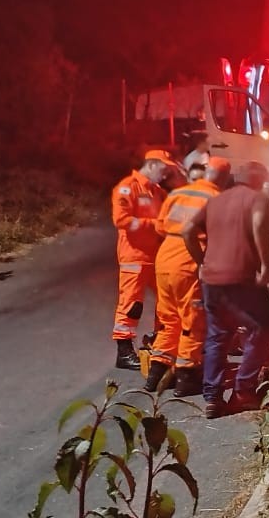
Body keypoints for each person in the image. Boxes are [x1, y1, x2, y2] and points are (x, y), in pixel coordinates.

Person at [182, 161, 269, 418]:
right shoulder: (258, 198)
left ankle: (212, 398)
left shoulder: (216, 200)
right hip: (240, 277)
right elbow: (259, 226)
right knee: (264, 326)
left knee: (218, 334)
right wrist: (267, 266)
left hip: (211, 280)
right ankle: (244, 391)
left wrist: (201, 262)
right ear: (259, 180)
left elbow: (187, 230)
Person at [145, 156, 230, 397]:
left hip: (164, 258)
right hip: (189, 259)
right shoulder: (217, 199)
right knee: (192, 319)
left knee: (168, 316)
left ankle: (156, 372)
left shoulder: (177, 193)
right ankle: (187, 375)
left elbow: (160, 227)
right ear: (224, 179)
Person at [111, 149, 179, 370]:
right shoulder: (127, 187)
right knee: (131, 304)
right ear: (151, 165)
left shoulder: (157, 191)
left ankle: (162, 342)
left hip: (156, 256)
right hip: (134, 255)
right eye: (164, 169)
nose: (165, 174)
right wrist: (153, 225)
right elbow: (122, 220)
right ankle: (124, 351)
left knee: (167, 301)